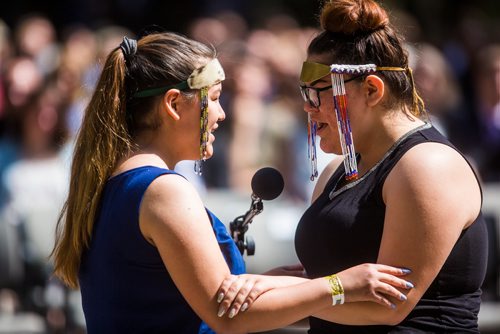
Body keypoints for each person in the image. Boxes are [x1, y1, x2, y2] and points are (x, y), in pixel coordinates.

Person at [50, 30, 414, 333]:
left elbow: (175, 300)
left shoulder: (113, 180)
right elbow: (227, 316)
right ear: (174, 104)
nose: (221, 115)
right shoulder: (164, 191)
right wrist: (339, 286)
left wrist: (265, 284)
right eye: (214, 99)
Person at [290, 0, 488, 332]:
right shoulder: (334, 172)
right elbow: (319, 293)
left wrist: (279, 293)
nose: (308, 109)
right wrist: (256, 289)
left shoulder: (428, 165)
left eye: (318, 93)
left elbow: (385, 305)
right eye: (304, 94)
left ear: (371, 89)